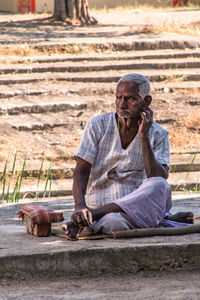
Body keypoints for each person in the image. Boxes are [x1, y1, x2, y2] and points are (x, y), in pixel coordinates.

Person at [62, 73, 193, 239]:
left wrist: (144, 136)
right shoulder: (97, 125)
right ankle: (159, 220)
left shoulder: (158, 134)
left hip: (136, 206)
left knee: (160, 185)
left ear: (146, 102)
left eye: (130, 99)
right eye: (118, 98)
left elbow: (157, 178)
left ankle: (94, 217)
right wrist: (80, 206)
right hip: (102, 203)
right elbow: (80, 171)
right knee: (114, 223)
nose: (121, 104)